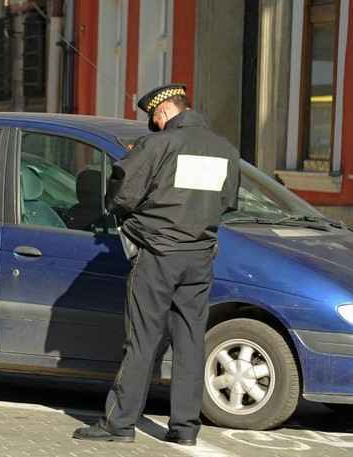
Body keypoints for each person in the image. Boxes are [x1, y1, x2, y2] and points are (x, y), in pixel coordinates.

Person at [73, 83, 240, 446]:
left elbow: (120, 196)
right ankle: (185, 429)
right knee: (191, 341)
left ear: (162, 112)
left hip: (157, 255)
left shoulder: (158, 144)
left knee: (142, 340)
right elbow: (228, 202)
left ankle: (118, 424)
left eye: (154, 119)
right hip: (199, 257)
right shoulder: (224, 148)